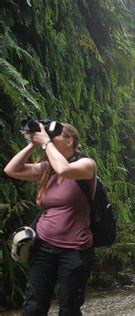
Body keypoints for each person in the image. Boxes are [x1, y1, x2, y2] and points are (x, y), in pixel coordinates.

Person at [4, 121, 96, 316]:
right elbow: (11, 170)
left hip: (75, 250)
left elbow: (64, 170)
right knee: (33, 306)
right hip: (44, 247)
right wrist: (33, 144)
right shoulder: (47, 169)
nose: (50, 142)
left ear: (69, 141)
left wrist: (46, 142)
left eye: (55, 138)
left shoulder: (86, 165)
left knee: (69, 308)